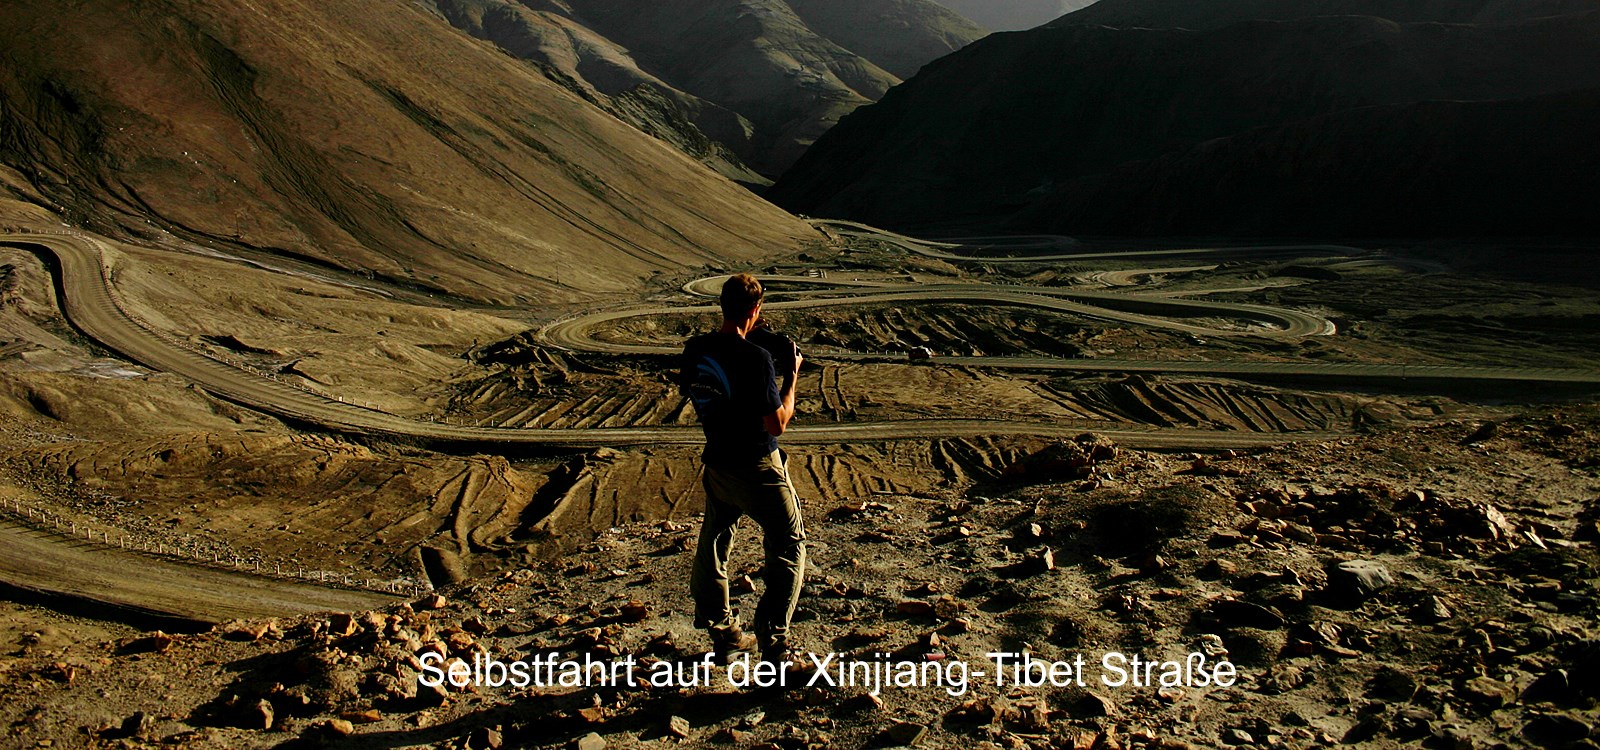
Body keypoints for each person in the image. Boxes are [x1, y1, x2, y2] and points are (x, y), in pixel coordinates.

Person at [678, 273, 806, 666]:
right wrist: (792, 375)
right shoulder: (757, 359)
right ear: (755, 310)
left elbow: (702, 389)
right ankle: (774, 643)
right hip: (757, 465)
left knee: (715, 542)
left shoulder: (696, 350)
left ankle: (724, 632)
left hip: (717, 462)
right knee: (788, 544)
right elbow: (777, 423)